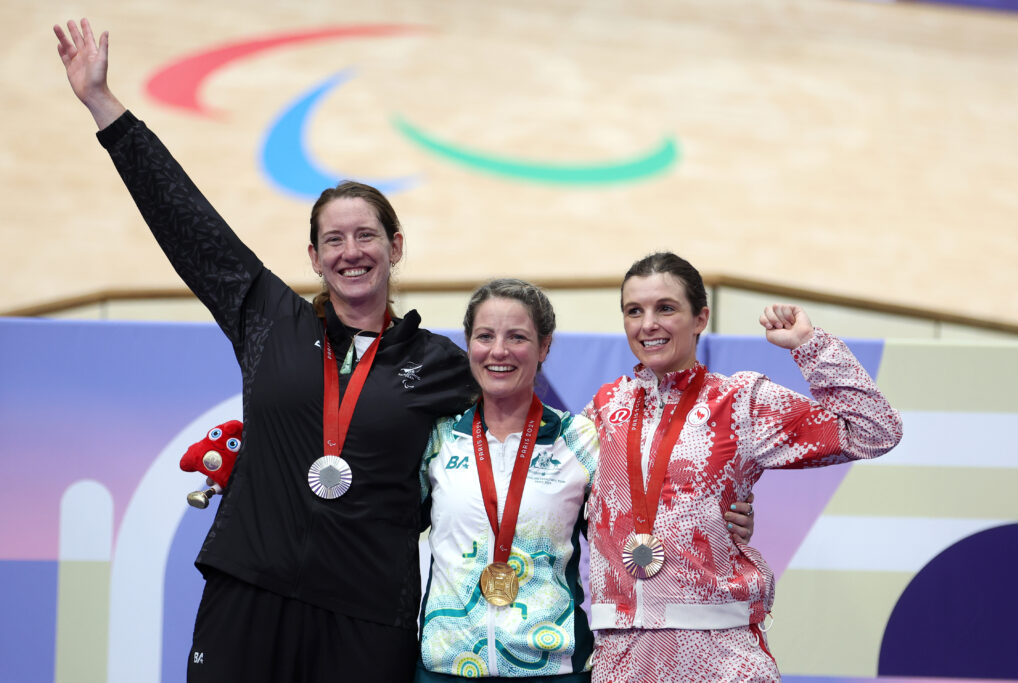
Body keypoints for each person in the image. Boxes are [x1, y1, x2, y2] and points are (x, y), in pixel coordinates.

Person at [55, 19, 477, 682]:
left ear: (395, 247)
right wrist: (104, 105)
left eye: (366, 235)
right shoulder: (268, 318)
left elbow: (503, 460)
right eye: (333, 240)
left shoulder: (441, 363)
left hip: (367, 613)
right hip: (249, 591)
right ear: (313, 256)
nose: (351, 252)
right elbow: (186, 219)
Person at [584, 252, 904, 682]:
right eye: (633, 311)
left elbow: (874, 430)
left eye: (666, 308)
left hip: (721, 655)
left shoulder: (740, 402)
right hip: (623, 656)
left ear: (700, 318)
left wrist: (810, 347)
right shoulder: (605, 408)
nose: (648, 324)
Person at [416, 280, 756, 681]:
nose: (499, 351)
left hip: (554, 667)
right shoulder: (437, 438)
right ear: (469, 344)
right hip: (446, 666)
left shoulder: (581, 438)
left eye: (517, 337)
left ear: (544, 347)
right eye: (485, 336)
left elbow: (643, 518)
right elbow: (388, 522)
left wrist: (719, 516)